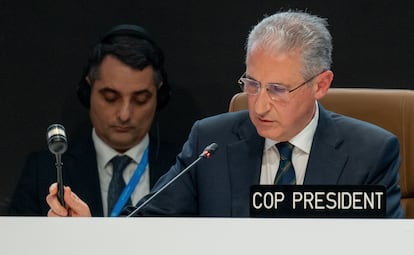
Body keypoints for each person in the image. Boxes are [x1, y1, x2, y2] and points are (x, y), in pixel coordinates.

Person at [46, 11, 404, 218]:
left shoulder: (370, 152)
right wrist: (90, 233)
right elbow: (143, 226)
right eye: (252, 84)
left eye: (278, 90)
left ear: (321, 84)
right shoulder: (210, 141)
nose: (259, 105)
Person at [9, 24, 180, 216]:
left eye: (140, 100)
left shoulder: (186, 168)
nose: (124, 115)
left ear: (160, 96)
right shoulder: (43, 171)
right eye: (110, 97)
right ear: (87, 91)